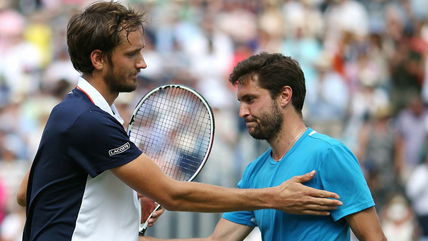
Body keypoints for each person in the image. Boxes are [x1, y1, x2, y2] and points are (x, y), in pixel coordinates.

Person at [18, 3, 343, 241]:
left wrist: (123, 208)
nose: (143, 63)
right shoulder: (87, 121)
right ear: (98, 59)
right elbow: (174, 195)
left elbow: (26, 194)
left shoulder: (74, 112)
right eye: (132, 54)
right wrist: (273, 197)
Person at [142, 53, 386, 241]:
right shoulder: (254, 172)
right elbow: (219, 239)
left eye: (251, 99)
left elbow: (374, 237)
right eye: (240, 101)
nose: (242, 112)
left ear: (284, 96)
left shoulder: (329, 153)